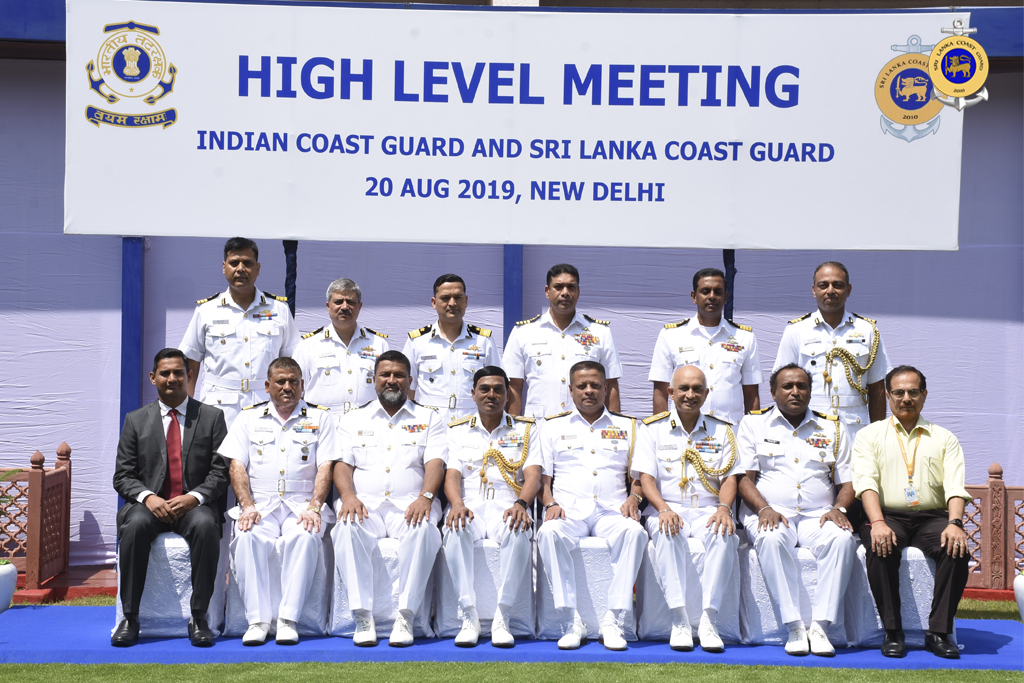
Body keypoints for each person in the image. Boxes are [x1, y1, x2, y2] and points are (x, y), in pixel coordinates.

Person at [736, 364, 857, 657]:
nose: (795, 392)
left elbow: (849, 482)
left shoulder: (833, 427)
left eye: (802, 386)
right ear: (773, 392)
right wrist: (763, 508)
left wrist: (840, 507)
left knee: (842, 539)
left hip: (819, 514)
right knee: (770, 538)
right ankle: (793, 625)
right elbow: (744, 479)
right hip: (773, 511)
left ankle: (820, 626)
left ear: (810, 391)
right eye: (788, 386)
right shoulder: (754, 424)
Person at [112, 348, 229, 647]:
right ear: (153, 378)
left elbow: (220, 473)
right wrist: (148, 498)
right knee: (135, 525)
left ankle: (199, 617)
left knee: (205, 526)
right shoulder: (135, 420)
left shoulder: (212, 418)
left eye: (179, 372)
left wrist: (194, 498)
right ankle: (130, 617)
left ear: (190, 376)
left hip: (193, 507)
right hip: (149, 506)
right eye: (165, 373)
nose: (172, 378)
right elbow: (123, 476)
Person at [853, 365, 970, 659]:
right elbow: (865, 483)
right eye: (899, 392)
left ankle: (939, 632)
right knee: (880, 546)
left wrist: (955, 523)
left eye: (913, 392)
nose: (906, 398)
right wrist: (877, 522)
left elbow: (955, 487)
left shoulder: (944, 438)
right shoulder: (869, 435)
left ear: (924, 395)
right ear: (889, 396)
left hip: (932, 517)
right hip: (887, 513)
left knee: (956, 549)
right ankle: (893, 632)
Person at [219, 357, 337, 646]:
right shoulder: (247, 418)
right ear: (267, 386)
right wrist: (246, 505)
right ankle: (257, 621)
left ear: (302, 385)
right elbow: (237, 466)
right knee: (246, 538)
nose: (287, 387)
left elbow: (325, 467)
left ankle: (287, 619)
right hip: (262, 505)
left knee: (307, 537)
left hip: (301, 505)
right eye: (281, 382)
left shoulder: (321, 418)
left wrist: (314, 507)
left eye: (293, 381)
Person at [332, 350, 447, 647]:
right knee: (345, 527)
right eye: (385, 375)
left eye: (398, 375)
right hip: (364, 504)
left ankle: (405, 616)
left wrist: (426, 497)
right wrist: (347, 496)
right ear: (374, 379)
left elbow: (435, 463)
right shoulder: (353, 418)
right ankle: (362, 616)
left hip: (411, 504)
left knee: (424, 531)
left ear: (410, 380)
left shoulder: (429, 418)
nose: (391, 380)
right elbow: (343, 465)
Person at [535, 361, 646, 651]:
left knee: (635, 533)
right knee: (548, 533)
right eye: (582, 385)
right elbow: (543, 479)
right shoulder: (551, 426)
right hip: (568, 510)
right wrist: (550, 502)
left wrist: (635, 498)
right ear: (570, 390)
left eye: (596, 385)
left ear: (606, 388)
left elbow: (638, 477)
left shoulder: (629, 426)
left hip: (613, 510)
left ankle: (613, 618)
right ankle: (570, 619)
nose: (589, 391)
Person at [633, 365, 740, 652]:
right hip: (665, 506)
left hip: (708, 508)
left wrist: (724, 509)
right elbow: (646, 479)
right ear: (670, 392)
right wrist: (663, 509)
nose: (690, 395)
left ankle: (709, 619)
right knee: (669, 532)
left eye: (696, 389)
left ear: (706, 394)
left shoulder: (724, 430)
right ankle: (679, 618)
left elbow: (730, 477)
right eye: (683, 388)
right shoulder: (651, 429)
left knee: (725, 535)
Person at [443, 366, 542, 648]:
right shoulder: (457, 430)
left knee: (519, 527)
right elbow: (452, 475)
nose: (491, 395)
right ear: (472, 394)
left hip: (507, 508)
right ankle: (468, 614)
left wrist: (522, 503)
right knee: (455, 527)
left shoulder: (526, 429)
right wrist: (457, 504)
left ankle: (503, 615)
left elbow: (533, 474)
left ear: (507, 394)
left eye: (499, 389)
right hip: (470, 507)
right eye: (484, 389)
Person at [179, 237, 300, 426]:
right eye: (234, 263)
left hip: (267, 407)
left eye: (248, 263)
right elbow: (190, 365)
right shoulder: (206, 311)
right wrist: (185, 415)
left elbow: (293, 363)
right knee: (217, 457)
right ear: (224, 267)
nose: (241, 269)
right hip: (217, 411)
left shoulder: (279, 310)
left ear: (258, 268)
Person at [773, 261, 891, 438]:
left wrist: (877, 436)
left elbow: (877, 389)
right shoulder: (796, 330)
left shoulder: (868, 330)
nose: (830, 290)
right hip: (810, 425)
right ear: (814, 290)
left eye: (838, 285)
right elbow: (781, 386)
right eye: (823, 285)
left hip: (855, 429)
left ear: (849, 290)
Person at [503, 264, 622, 419]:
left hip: (585, 425)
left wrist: (615, 428)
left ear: (578, 292)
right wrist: (514, 430)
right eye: (558, 287)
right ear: (547, 291)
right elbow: (513, 387)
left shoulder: (600, 332)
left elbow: (611, 385)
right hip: (539, 427)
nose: (565, 293)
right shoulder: (523, 332)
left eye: (571, 287)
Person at [648, 268, 761, 424]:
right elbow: (661, 391)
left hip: (730, 432)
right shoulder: (671, 336)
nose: (712, 296)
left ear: (726, 297)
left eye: (718, 292)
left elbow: (751, 394)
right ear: (694, 297)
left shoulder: (745, 338)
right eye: (705, 291)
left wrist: (752, 434)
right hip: (685, 431)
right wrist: (660, 432)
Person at [402, 273, 500, 423]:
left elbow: (498, 384)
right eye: (445, 298)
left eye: (458, 297)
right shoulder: (417, 341)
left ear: (466, 301)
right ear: (434, 302)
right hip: (430, 424)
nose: (452, 303)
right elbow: (408, 389)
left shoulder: (483, 340)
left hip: (472, 425)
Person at [293, 278, 389, 415]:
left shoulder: (379, 344)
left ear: (359, 307)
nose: (344, 307)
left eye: (350, 302)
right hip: (323, 427)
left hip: (366, 428)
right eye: (338, 302)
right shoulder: (308, 345)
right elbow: (295, 390)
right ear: (328, 306)